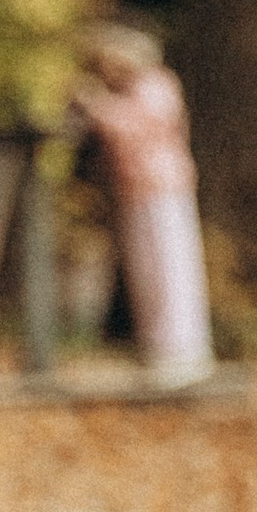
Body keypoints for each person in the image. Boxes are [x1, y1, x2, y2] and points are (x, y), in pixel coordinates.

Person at [68, 20, 214, 384]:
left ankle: (183, 352)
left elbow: (135, 128)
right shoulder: (131, 89)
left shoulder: (156, 85)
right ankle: (159, 349)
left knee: (170, 270)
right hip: (135, 190)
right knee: (146, 273)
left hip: (163, 188)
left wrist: (96, 105)